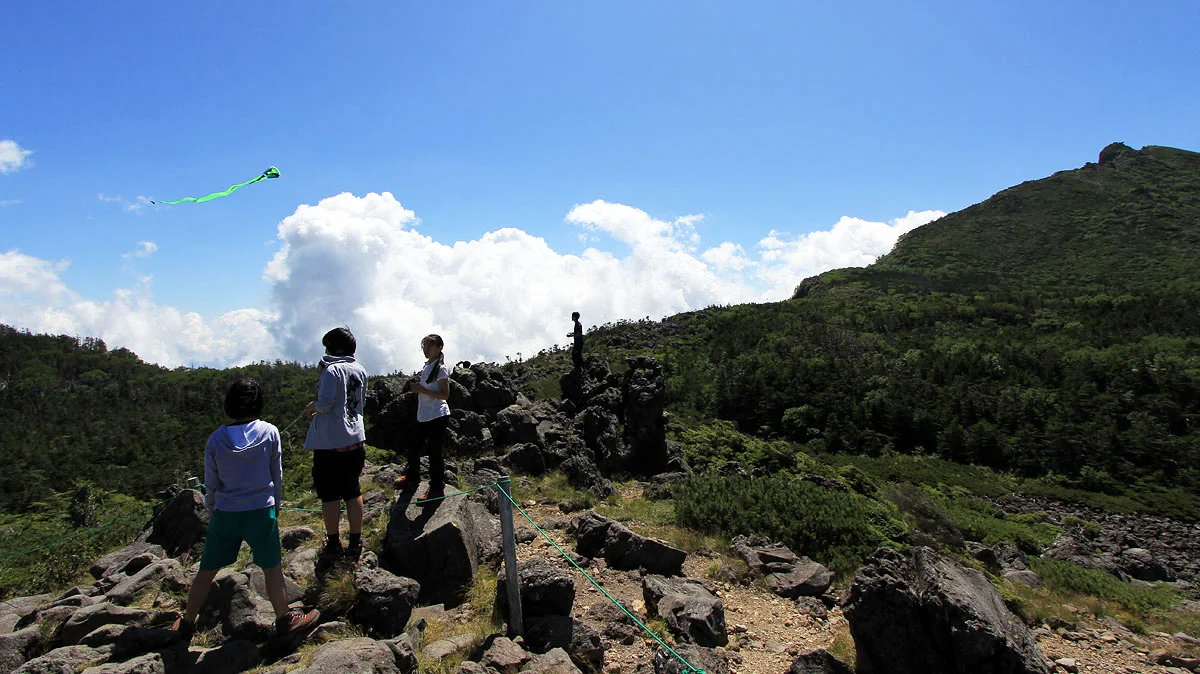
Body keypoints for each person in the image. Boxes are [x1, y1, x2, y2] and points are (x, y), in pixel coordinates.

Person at [172, 378, 320, 641]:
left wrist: (214, 509)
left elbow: (212, 481)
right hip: (261, 510)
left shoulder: (217, 438)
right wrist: (276, 505)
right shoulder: (269, 432)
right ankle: (284, 620)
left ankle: (186, 624)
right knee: (272, 569)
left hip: (226, 512)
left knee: (206, 570)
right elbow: (277, 475)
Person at [303, 327, 369, 563]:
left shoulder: (332, 371)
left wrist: (313, 407)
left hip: (330, 443)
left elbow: (327, 403)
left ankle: (333, 543)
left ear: (334, 348)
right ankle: (355, 541)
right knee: (352, 490)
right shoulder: (360, 370)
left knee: (330, 495)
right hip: (355, 439)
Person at [395, 334, 450, 501]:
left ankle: (436, 488)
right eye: (424, 346)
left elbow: (445, 395)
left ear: (440, 347)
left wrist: (422, 390)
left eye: (429, 346)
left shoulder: (440, 369)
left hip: (437, 415)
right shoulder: (428, 367)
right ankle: (412, 477)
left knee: (434, 453)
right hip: (424, 415)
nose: (426, 350)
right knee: (413, 447)